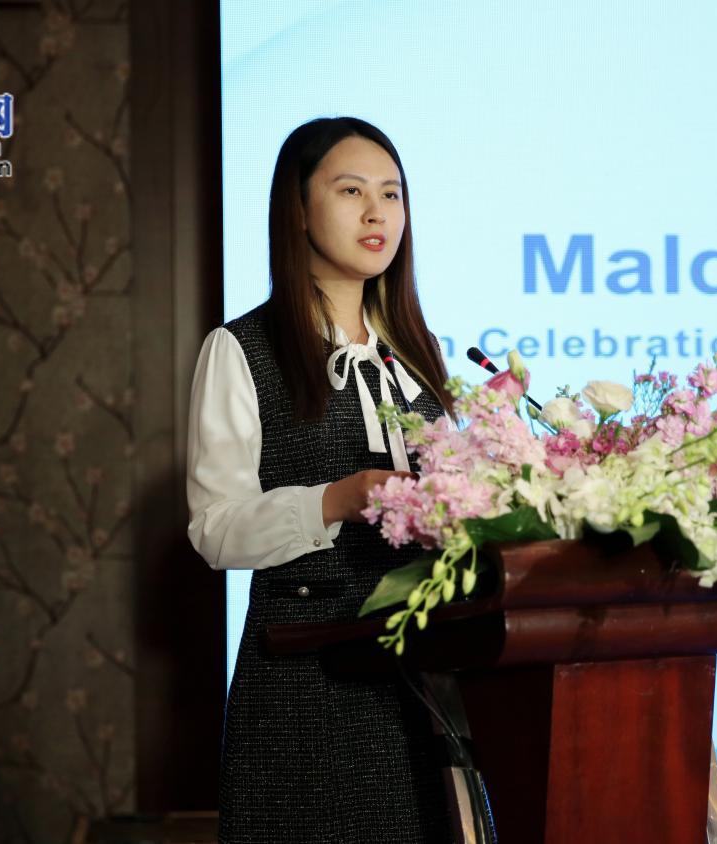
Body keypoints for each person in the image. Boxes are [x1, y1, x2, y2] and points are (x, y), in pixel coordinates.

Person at [185, 117, 458, 843]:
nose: (378, 213)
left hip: (424, 684)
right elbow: (215, 530)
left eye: (393, 194)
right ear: (299, 210)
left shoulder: (417, 353)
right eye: (351, 191)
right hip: (305, 686)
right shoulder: (242, 349)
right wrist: (339, 499)